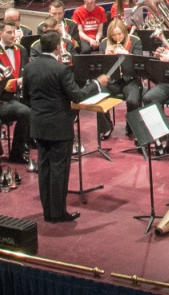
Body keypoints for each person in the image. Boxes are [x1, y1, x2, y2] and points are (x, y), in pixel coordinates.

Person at [22, 27, 106, 222]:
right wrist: (97, 84)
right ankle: (58, 213)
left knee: (44, 169)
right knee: (59, 170)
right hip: (59, 126)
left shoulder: (29, 68)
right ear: (59, 47)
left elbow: (26, 96)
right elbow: (77, 96)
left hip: (38, 125)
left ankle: (47, 212)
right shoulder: (61, 69)